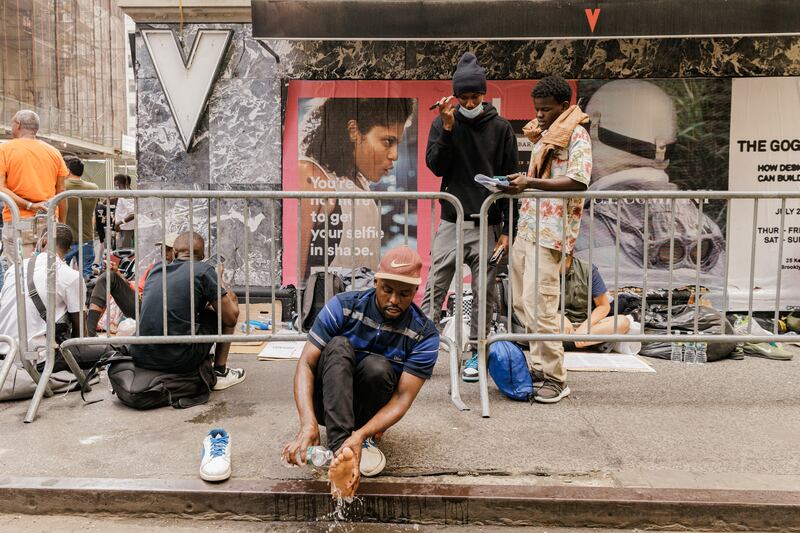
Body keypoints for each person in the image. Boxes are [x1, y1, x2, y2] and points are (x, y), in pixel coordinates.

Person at [282, 246, 439, 498]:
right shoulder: (342, 306)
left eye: (404, 294)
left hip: (369, 414)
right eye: (387, 290)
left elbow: (402, 398)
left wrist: (362, 433)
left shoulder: (424, 334)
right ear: (375, 282)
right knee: (338, 345)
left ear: (416, 292)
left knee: (378, 367)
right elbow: (306, 364)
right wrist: (308, 424)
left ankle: (355, 442)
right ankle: (341, 453)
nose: (394, 301)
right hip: (327, 401)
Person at [421, 52, 518, 383]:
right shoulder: (443, 122)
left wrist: (508, 231)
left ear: (484, 94)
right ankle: (422, 350)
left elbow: (511, 183)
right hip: (452, 220)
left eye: (474, 96)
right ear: (455, 96)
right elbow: (436, 166)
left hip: (488, 223)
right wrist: (448, 130)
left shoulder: (501, 128)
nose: (469, 102)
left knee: (483, 292)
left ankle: (476, 353)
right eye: (463, 97)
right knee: (436, 286)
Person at [501, 75, 593, 404]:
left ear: (563, 106)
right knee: (523, 304)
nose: (539, 115)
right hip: (528, 228)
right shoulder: (546, 136)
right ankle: (539, 366)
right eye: (537, 109)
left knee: (541, 306)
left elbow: (579, 181)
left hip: (550, 234)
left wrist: (529, 184)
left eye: (546, 110)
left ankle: (556, 376)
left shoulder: (577, 134)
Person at [298, 97, 415, 278]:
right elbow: (294, 272)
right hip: (325, 305)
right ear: (354, 131)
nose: (394, 155)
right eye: (387, 141)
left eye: (396, 144)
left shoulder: (357, 180)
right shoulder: (309, 173)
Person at [128, 231, 245, 390]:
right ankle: (220, 372)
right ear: (203, 255)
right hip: (179, 359)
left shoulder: (156, 270)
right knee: (226, 306)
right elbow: (231, 318)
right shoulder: (203, 270)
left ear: (174, 253)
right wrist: (218, 279)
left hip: (140, 354)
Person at [0, 224, 110, 378]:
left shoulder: (15, 269)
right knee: (111, 349)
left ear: (43, 241)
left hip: (6, 355)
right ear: (69, 248)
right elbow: (79, 339)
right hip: (38, 361)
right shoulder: (70, 276)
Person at [0, 110, 69, 266]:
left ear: (18, 125)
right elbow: (61, 193)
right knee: (47, 271)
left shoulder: (4, 150)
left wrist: (29, 205)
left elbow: (1, 187)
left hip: (18, 220)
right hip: (48, 220)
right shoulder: (54, 152)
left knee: (20, 273)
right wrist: (62, 225)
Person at [86, 233, 177, 336]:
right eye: (163, 248)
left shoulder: (181, 272)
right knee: (108, 276)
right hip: (142, 308)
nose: (163, 251)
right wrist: (117, 272)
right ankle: (89, 332)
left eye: (168, 249)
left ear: (176, 251)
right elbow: (134, 289)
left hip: (162, 315)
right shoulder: (154, 268)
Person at [558, 254, 638, 355]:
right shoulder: (540, 270)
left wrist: (584, 328)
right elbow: (537, 307)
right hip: (556, 325)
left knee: (623, 322)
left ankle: (571, 342)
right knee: (535, 325)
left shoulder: (588, 269)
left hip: (587, 325)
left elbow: (603, 306)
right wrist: (558, 317)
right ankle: (581, 342)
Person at [62, 154, 99, 279]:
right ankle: (86, 298)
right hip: (86, 238)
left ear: (67, 170)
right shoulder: (93, 188)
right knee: (87, 276)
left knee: (61, 275)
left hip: (64, 239)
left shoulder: (61, 188)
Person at [113, 174, 135, 249]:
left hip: (126, 228)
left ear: (116, 182)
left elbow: (133, 214)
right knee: (121, 250)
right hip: (122, 228)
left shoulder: (125, 195)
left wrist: (119, 223)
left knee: (125, 252)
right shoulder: (122, 194)